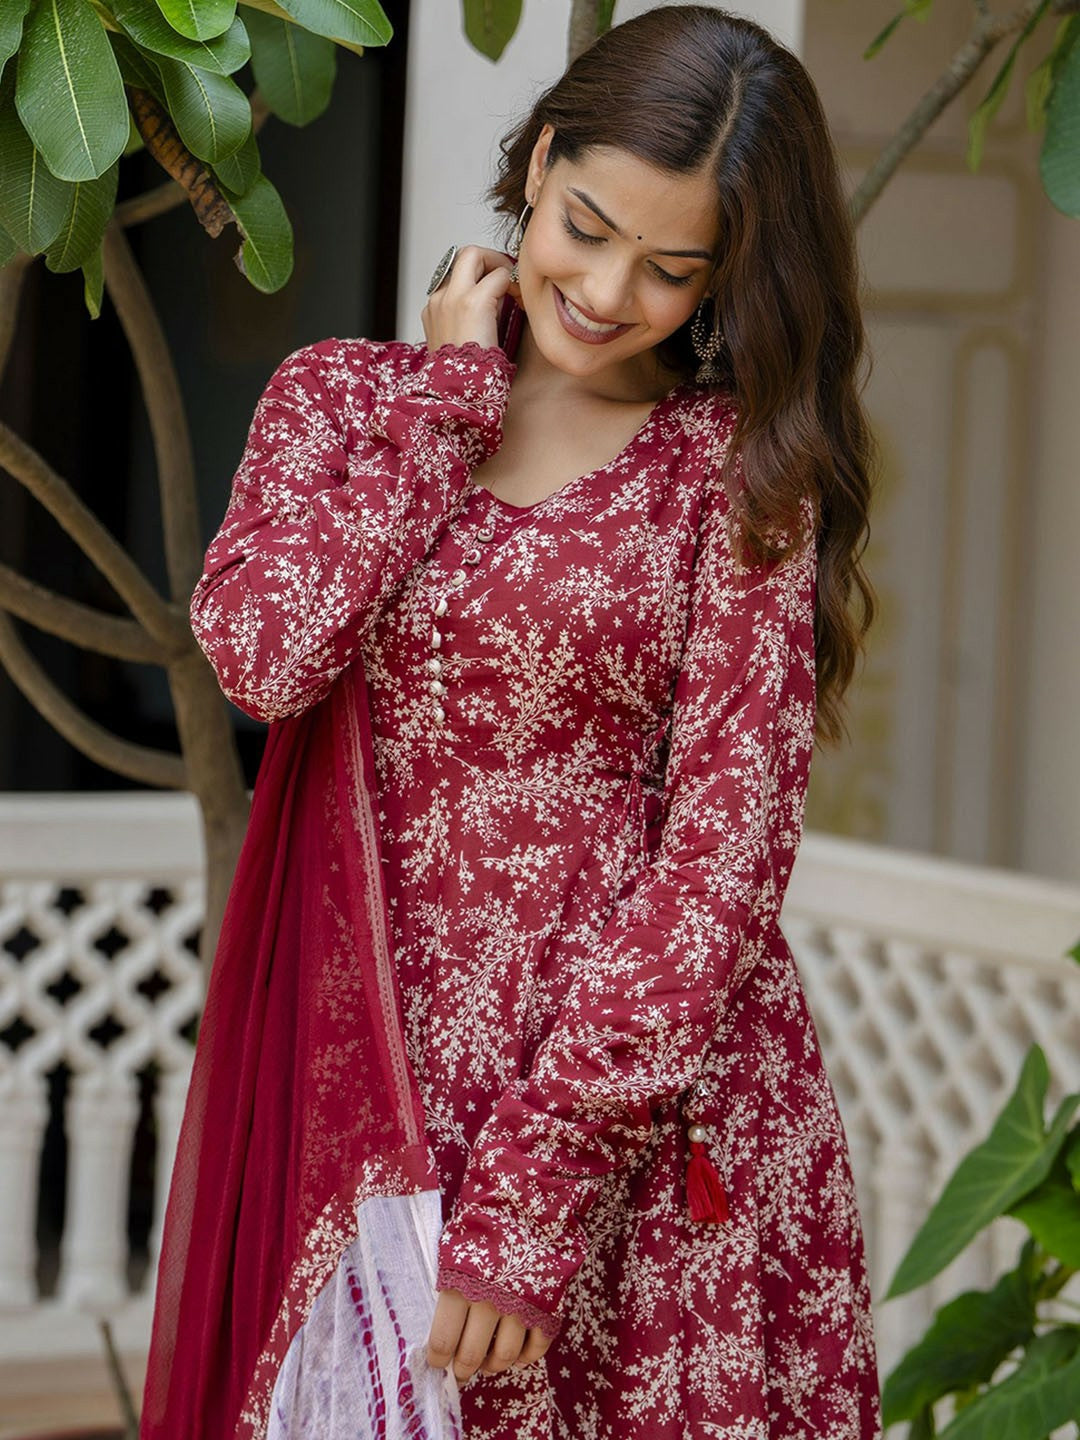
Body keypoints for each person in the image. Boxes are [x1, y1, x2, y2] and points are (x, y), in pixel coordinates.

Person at [139, 6, 883, 1437]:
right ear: (538, 162)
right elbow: (263, 658)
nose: (607, 292)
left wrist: (539, 1186)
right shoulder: (350, 404)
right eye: (587, 225)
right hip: (367, 1096)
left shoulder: (736, 479)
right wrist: (451, 405)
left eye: (674, 271)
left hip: (632, 1136)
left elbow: (721, 863)